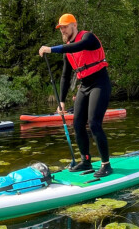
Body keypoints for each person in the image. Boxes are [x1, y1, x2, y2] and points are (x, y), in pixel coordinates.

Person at [38, 13, 112, 178]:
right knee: (77, 124)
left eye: (65, 26)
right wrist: (62, 101)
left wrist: (51, 49)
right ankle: (86, 161)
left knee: (94, 124)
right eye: (61, 28)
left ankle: (106, 164)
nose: (63, 30)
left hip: (100, 83)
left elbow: (79, 46)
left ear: (74, 25)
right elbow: (65, 76)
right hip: (85, 86)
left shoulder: (88, 37)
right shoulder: (68, 50)